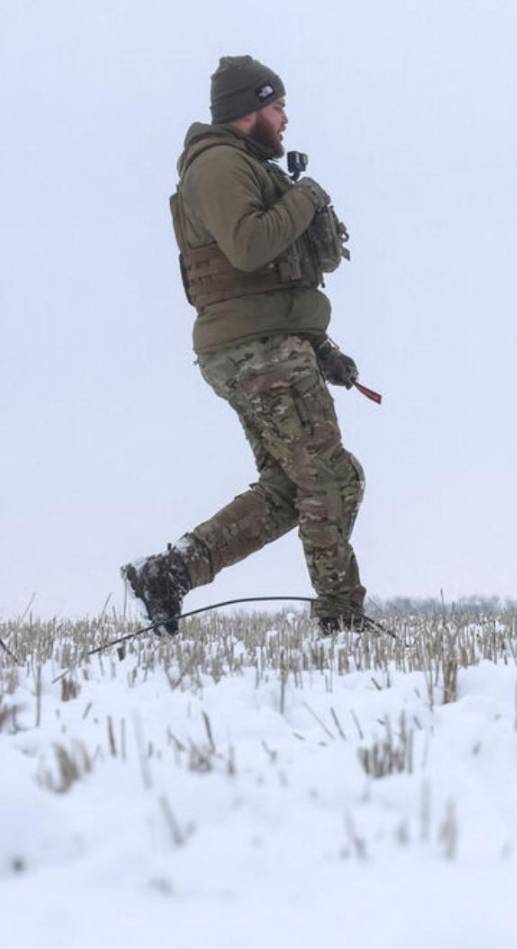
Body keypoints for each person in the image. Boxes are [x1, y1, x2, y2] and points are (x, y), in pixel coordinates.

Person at [123, 55, 367, 636]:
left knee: (291, 488)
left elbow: (270, 278)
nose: (285, 118)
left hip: (266, 344)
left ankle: (171, 571)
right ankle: (341, 619)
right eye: (277, 106)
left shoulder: (244, 166)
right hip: (258, 352)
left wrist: (320, 347)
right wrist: (306, 198)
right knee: (331, 478)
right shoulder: (217, 166)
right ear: (249, 109)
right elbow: (249, 247)